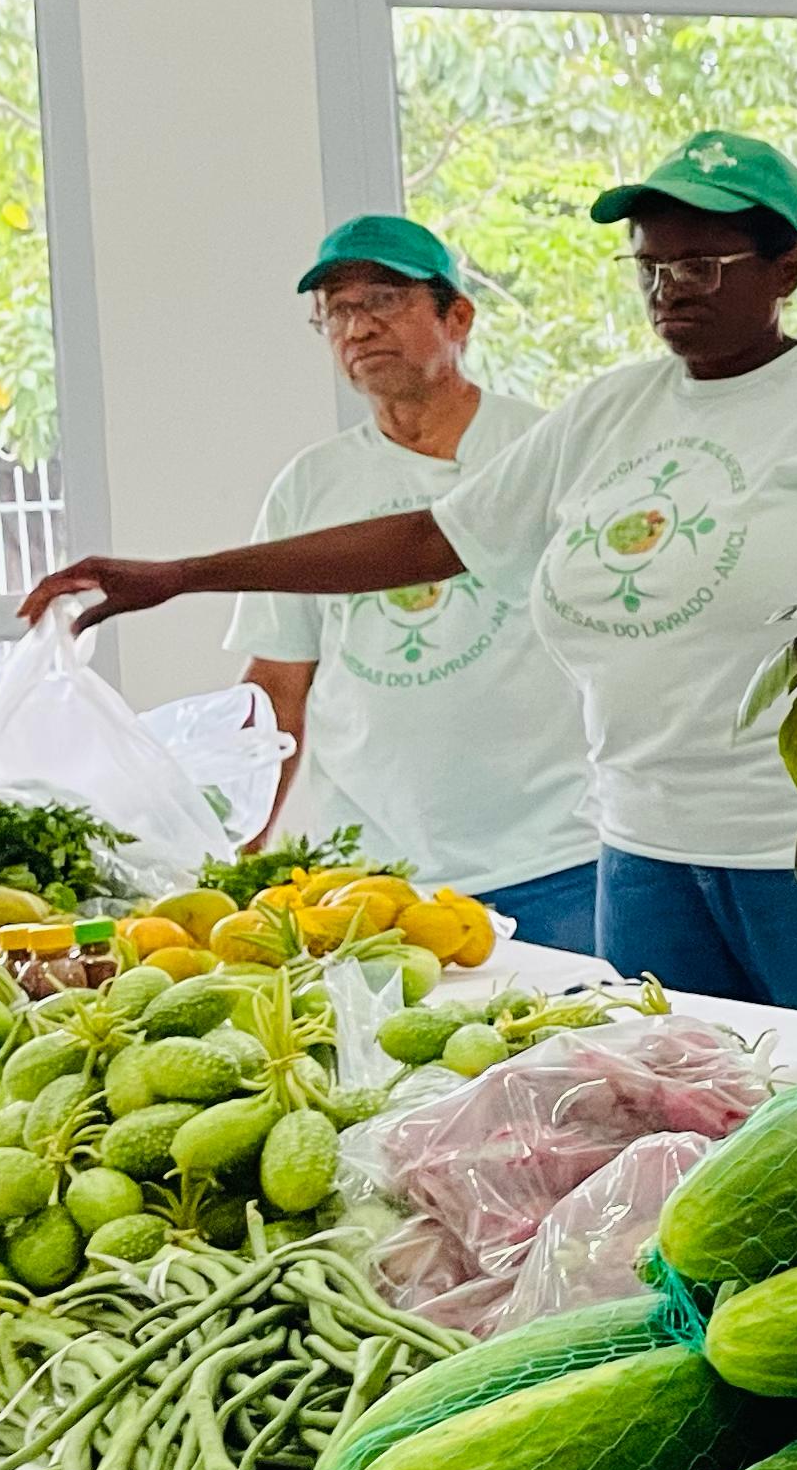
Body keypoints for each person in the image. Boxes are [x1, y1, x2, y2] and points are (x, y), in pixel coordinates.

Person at [26, 134, 797, 1011]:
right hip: (644, 850)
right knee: (692, 1118)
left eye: (699, 265)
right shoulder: (611, 410)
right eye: (649, 266)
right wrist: (182, 575)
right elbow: (432, 540)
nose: (669, 290)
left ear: (786, 267)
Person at [226, 216, 598, 945]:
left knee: (576, 1054)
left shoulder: (546, 450)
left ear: (457, 315)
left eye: (383, 301)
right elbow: (276, 686)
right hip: (372, 877)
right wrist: (240, 851)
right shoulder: (311, 486)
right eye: (337, 311)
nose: (358, 328)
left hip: (559, 854)